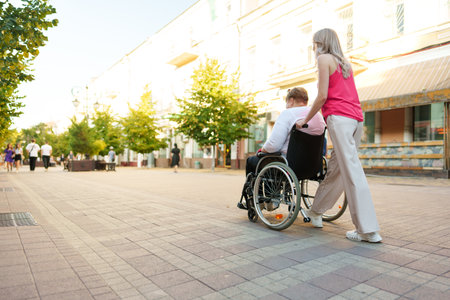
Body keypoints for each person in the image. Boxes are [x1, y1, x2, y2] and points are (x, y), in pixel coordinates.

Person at [296, 28, 381, 243]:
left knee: (351, 172)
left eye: (314, 43)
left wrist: (305, 120)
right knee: (338, 171)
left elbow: (323, 95)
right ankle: (316, 211)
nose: (314, 48)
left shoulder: (324, 59)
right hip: (356, 120)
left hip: (340, 119)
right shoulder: (345, 62)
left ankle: (367, 230)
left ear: (321, 43)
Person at [245, 87, 326, 176]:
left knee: (251, 161)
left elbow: (273, 145)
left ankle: (256, 190)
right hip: (313, 166)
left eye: (286, 103)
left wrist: (262, 150)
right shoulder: (318, 115)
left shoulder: (288, 113)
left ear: (291, 101)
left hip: (288, 165)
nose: (286, 106)